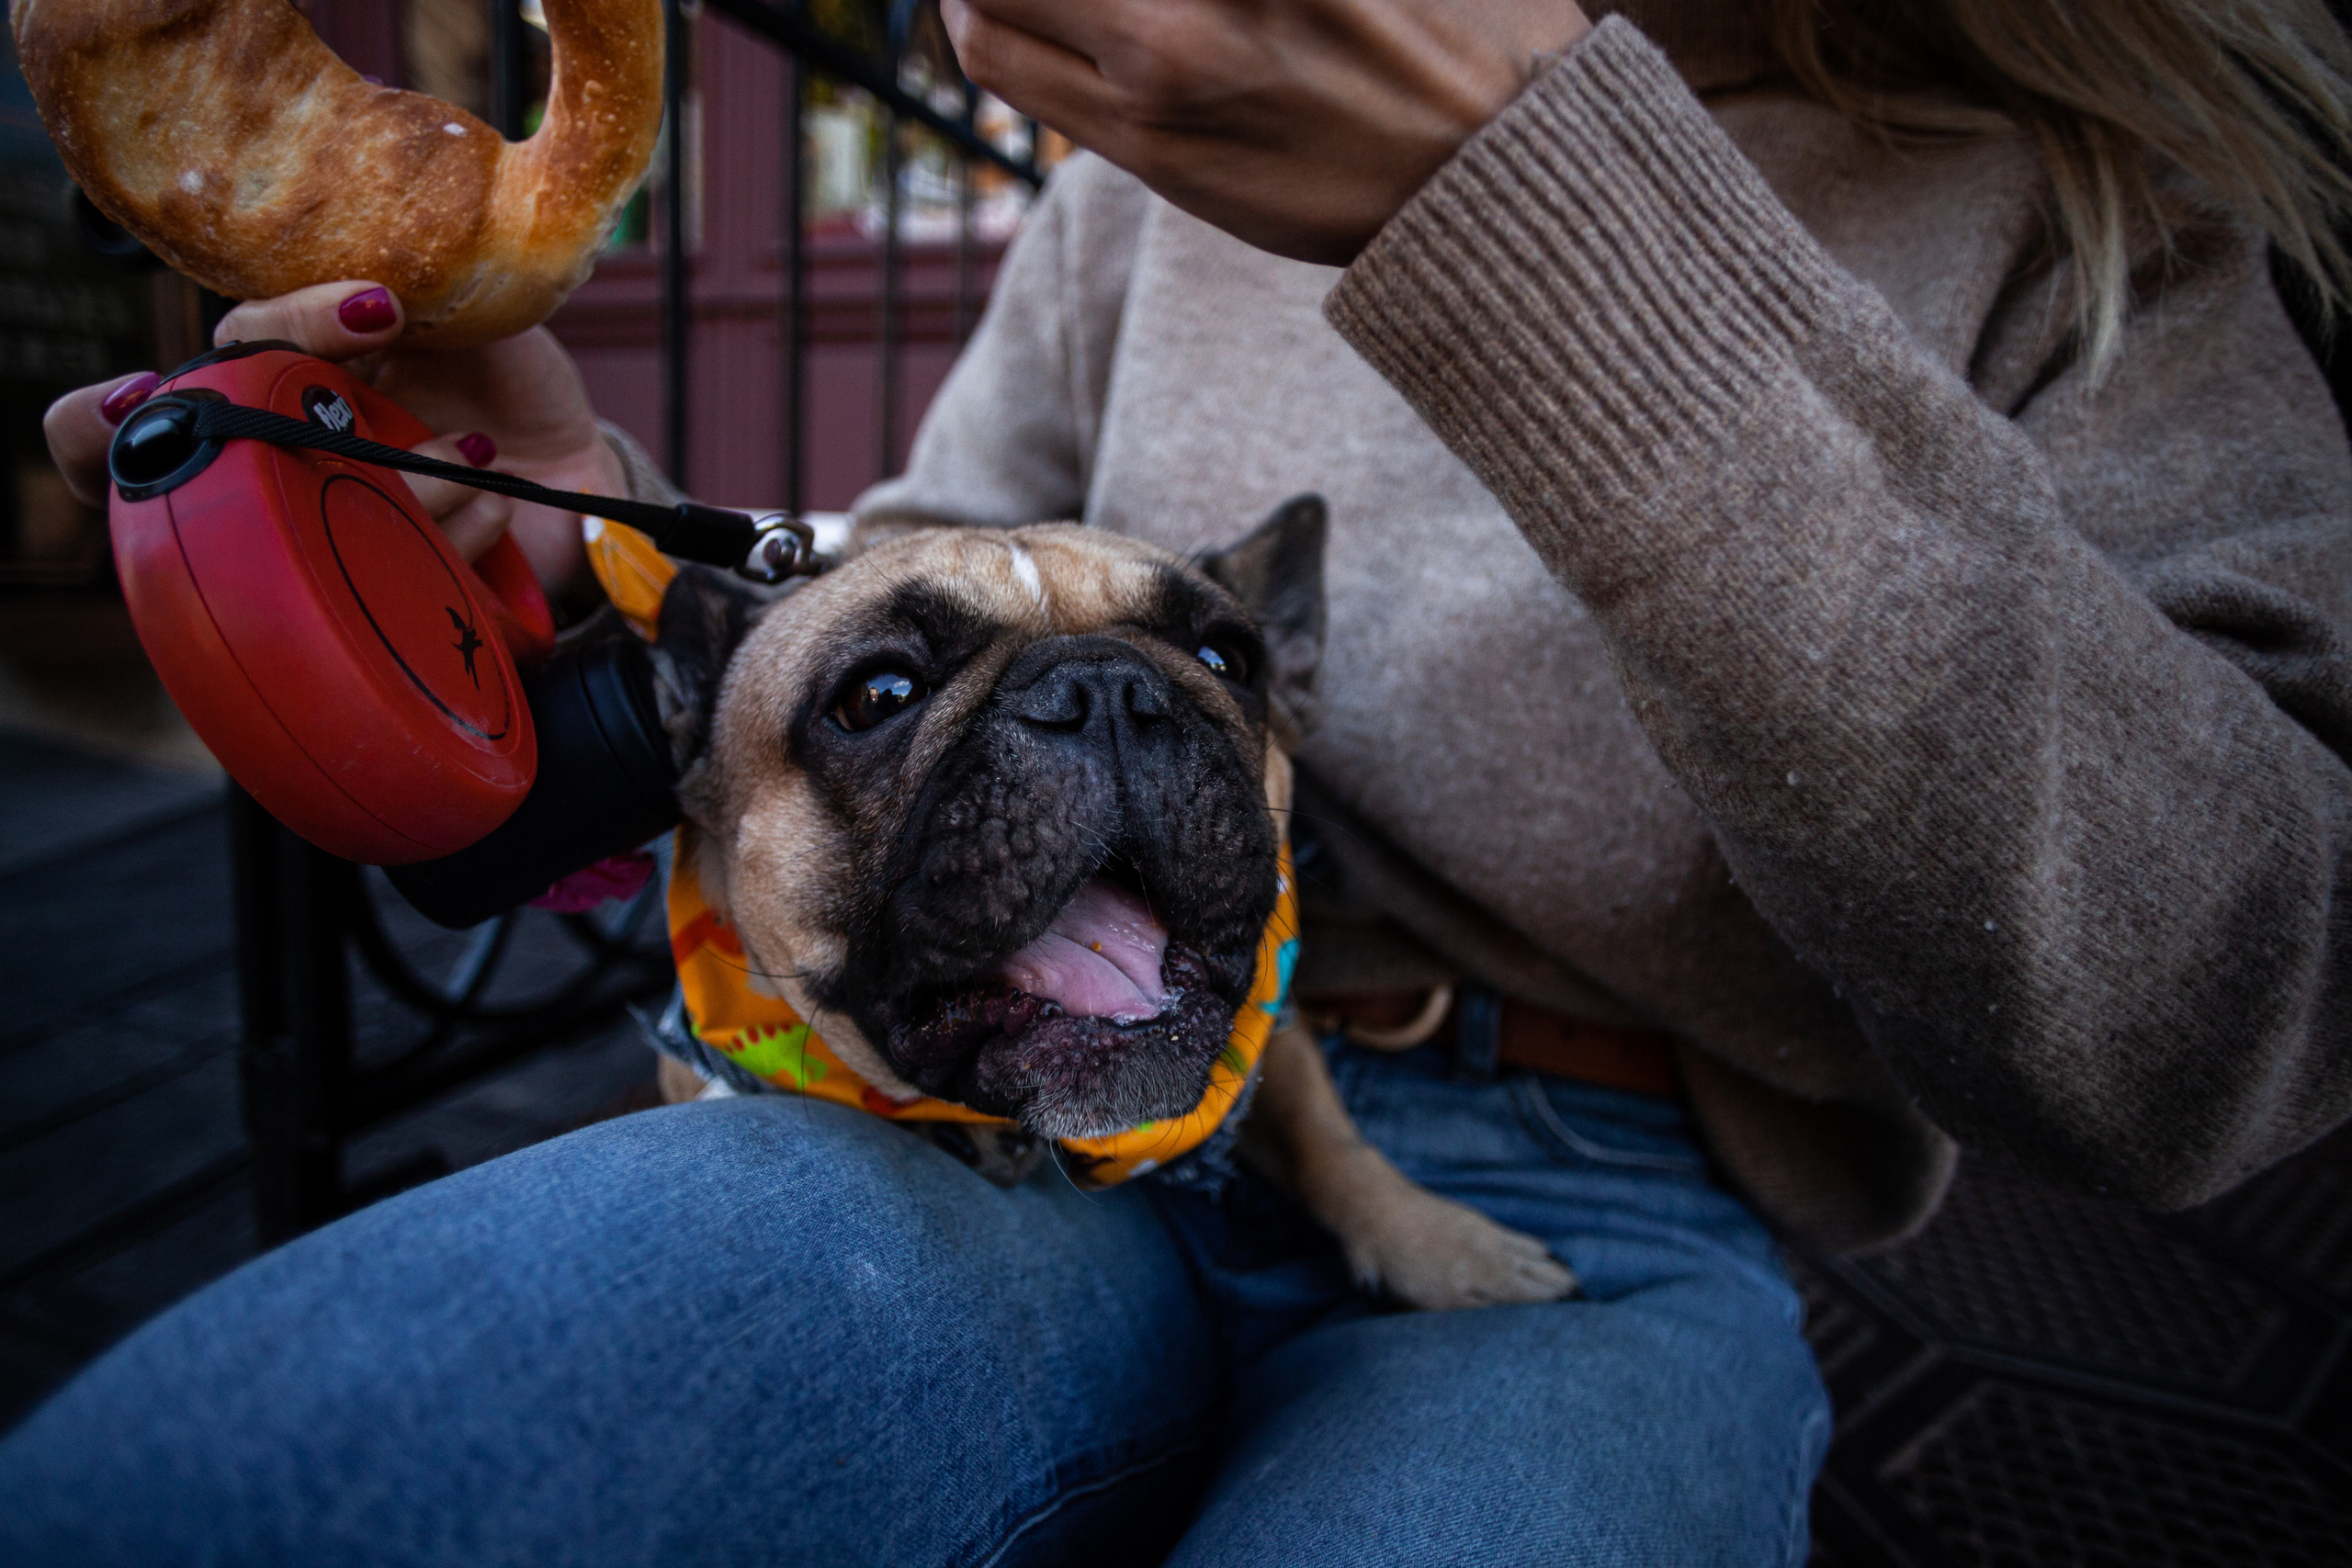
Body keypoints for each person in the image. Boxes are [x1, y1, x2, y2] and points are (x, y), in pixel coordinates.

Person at [9, 0, 2351, 1562]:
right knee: (350, 1439)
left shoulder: (2100, 212)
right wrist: (613, 535)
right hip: (987, 1103)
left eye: (1207, 667)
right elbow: (939, 594)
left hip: (1588, 1204)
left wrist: (1544, 212)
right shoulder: (1159, 162)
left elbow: (2218, 1019)